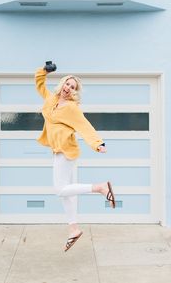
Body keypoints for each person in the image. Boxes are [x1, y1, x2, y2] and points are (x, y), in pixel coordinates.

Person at [35, 64, 115, 252]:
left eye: (73, 87)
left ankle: (100, 187)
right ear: (62, 84)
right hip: (57, 150)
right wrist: (43, 71)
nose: (69, 88)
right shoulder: (50, 100)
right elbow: (39, 84)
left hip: (67, 150)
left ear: (74, 92)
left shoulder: (71, 108)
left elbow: (84, 125)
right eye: (67, 84)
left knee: (60, 189)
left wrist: (97, 143)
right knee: (67, 193)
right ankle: (74, 229)